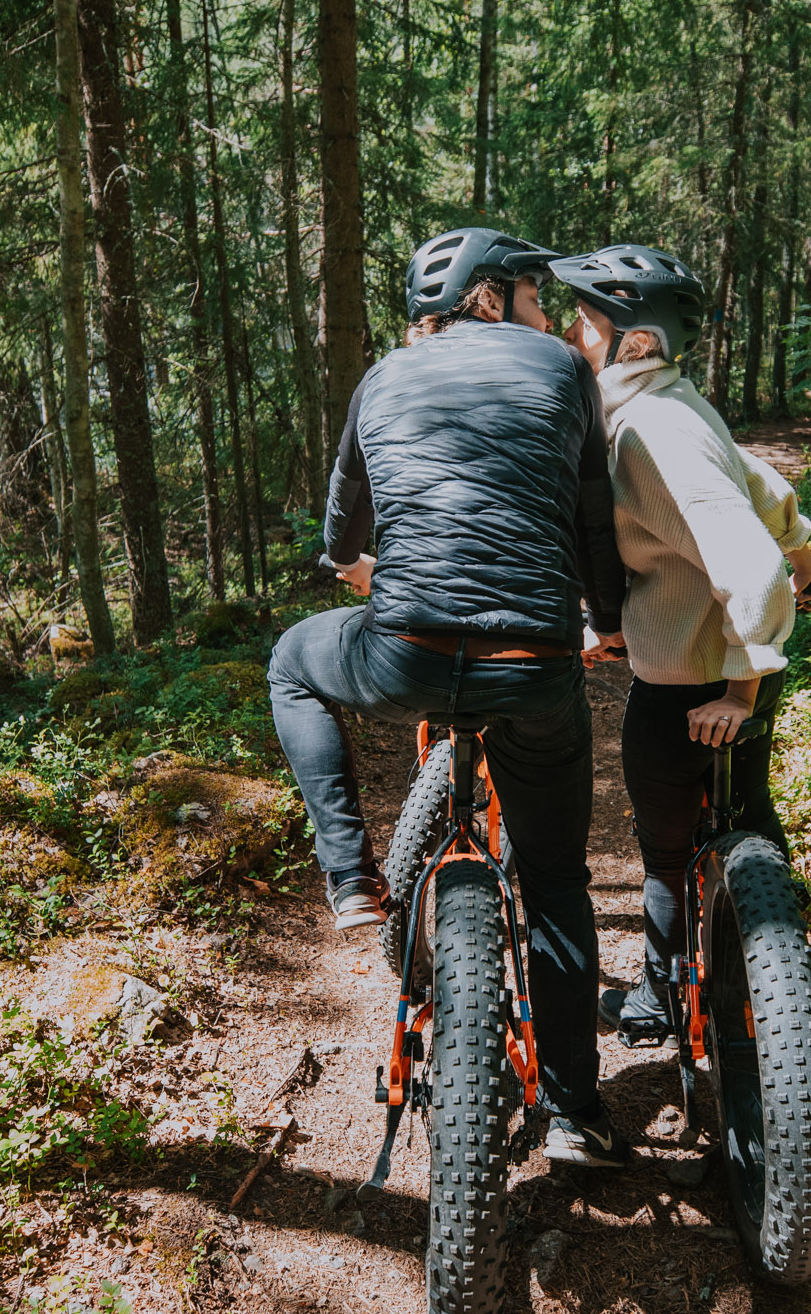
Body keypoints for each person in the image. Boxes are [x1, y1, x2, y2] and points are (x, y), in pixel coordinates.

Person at [268, 226, 635, 1167]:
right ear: (488, 296)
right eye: (532, 293)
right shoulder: (562, 370)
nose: (547, 313)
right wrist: (608, 621)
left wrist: (357, 567)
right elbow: (592, 517)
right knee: (555, 882)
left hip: (404, 653)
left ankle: (351, 876)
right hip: (534, 661)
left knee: (292, 661)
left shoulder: (381, 377)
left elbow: (342, 530)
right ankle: (574, 1113)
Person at [546, 245, 811, 1044]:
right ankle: (782, 986)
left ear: (633, 342)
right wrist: (805, 549)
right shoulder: (675, 402)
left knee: (663, 851)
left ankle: (660, 1003)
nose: (571, 331)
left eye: (587, 323)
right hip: (728, 675)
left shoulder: (645, 434)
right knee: (753, 814)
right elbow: (757, 484)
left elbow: (752, 564)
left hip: (686, 685)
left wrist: (739, 679)